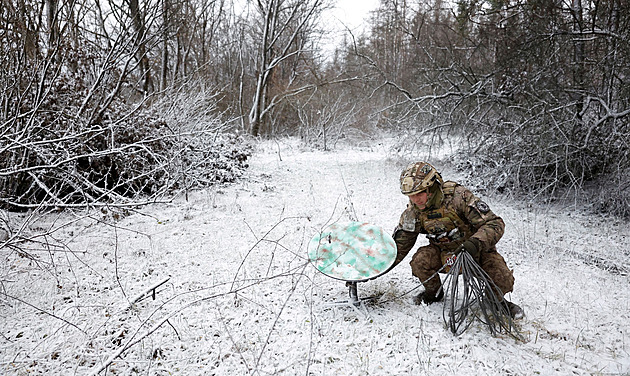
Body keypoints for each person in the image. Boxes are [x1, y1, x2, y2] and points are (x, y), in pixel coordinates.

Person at [391, 161, 524, 319]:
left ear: (432, 187)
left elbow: (495, 223)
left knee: (502, 278)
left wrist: (474, 244)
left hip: (476, 252)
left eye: (419, 193)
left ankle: (495, 301)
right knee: (420, 261)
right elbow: (400, 246)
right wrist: (372, 270)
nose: (415, 200)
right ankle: (434, 293)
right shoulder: (413, 212)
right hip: (444, 255)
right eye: (411, 196)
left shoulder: (458, 197)